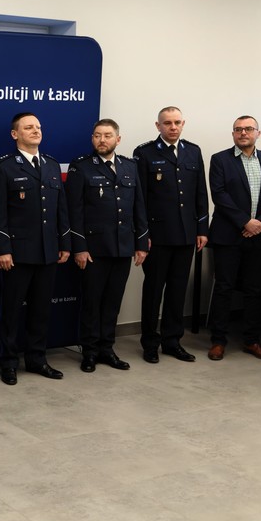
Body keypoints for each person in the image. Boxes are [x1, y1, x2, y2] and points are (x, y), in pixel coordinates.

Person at [0, 112, 70, 384]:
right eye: (28, 127)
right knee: (11, 311)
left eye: (38, 127)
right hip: (17, 253)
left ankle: (37, 359)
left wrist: (64, 242)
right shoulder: (4, 167)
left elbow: (60, 210)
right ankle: (9, 362)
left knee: (41, 310)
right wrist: (2, 248)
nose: (35, 131)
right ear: (15, 134)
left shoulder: (51, 165)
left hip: (48, 251)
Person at [66, 119, 149, 372]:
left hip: (123, 246)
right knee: (92, 302)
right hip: (94, 249)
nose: (102, 140)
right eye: (97, 135)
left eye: (108, 135)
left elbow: (139, 206)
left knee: (113, 302)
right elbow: (74, 211)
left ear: (118, 139)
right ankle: (90, 351)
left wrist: (141, 243)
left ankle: (107, 349)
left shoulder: (129, 166)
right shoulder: (80, 167)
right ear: (92, 139)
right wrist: (80, 247)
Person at [205, 116, 261, 362]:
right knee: (224, 288)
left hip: (259, 236)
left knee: (255, 289)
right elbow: (219, 194)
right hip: (228, 235)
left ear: (258, 133)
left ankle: (252, 340)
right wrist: (245, 222)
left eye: (248, 129)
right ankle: (218, 341)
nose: (243, 133)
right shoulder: (220, 159)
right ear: (233, 134)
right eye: (238, 129)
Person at [134, 106, 209, 362]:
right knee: (154, 291)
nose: (173, 127)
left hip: (187, 234)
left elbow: (200, 193)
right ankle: (150, 343)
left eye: (177, 122)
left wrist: (202, 229)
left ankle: (172, 341)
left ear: (183, 123)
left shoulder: (193, 151)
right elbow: (140, 199)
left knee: (177, 291)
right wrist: (142, 235)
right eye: (167, 123)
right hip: (157, 235)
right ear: (158, 126)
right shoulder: (144, 153)